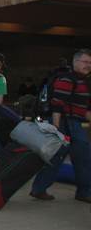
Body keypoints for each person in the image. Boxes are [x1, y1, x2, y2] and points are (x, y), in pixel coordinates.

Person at [30, 49, 91, 203]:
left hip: (73, 122)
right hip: (65, 123)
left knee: (61, 157)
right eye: (85, 62)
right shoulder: (67, 79)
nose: (88, 65)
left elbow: (83, 109)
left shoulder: (83, 81)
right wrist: (56, 128)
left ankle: (39, 189)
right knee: (79, 157)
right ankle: (84, 192)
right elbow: (57, 104)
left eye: (90, 63)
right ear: (75, 62)